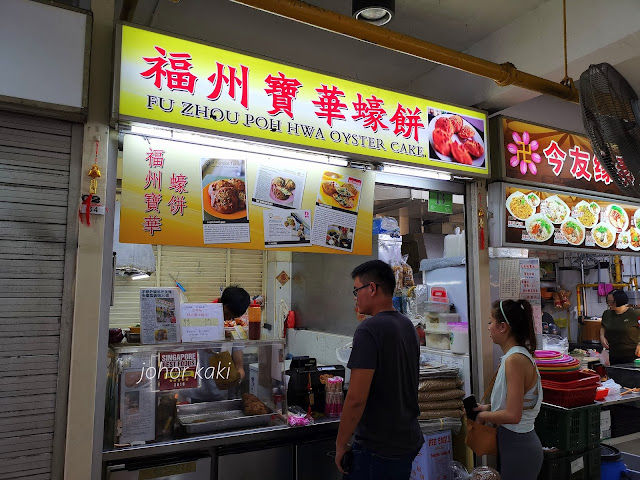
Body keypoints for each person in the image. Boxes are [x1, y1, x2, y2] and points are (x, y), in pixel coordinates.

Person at [335, 260, 423, 480]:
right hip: (407, 440)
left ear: (372, 288)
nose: (355, 297)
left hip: (378, 448)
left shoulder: (368, 329)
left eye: (357, 290)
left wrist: (340, 443)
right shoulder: (407, 326)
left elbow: (356, 398)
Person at [474, 299, 543, 480]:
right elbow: (518, 402)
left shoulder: (515, 360)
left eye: (491, 322)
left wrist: (483, 417)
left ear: (503, 327)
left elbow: (513, 415)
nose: (489, 327)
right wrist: (487, 408)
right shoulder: (516, 357)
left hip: (520, 448)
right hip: (515, 445)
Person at [186, 286, 251, 402]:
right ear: (220, 303)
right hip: (193, 393)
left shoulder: (234, 329)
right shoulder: (198, 320)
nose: (227, 319)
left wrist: (237, 379)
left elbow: (239, 367)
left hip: (220, 394)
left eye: (232, 317)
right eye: (226, 313)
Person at [601, 290, 640, 365]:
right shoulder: (607, 314)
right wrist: (602, 336)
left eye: (612, 302)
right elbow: (603, 326)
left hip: (633, 354)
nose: (609, 304)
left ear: (620, 301)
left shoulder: (635, 314)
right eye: (607, 301)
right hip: (614, 354)